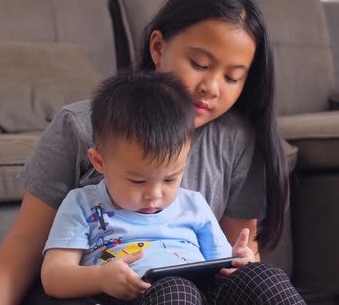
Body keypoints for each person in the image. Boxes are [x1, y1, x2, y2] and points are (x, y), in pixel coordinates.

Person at [0, 0, 299, 305]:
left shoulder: (236, 140)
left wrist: (243, 259)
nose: (212, 87)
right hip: (113, 292)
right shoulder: (82, 126)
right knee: (176, 290)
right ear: (158, 48)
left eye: (232, 77)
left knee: (266, 279)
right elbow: (25, 246)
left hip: (199, 288)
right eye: (199, 65)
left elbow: (235, 254)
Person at [42, 71, 280, 304]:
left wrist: (237, 263)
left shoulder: (193, 204)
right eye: (137, 181)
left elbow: (219, 268)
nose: (155, 195)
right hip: (136, 295)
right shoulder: (83, 205)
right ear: (100, 162)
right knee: (177, 289)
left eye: (170, 179)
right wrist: (101, 278)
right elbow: (53, 277)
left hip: (205, 292)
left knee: (262, 277)